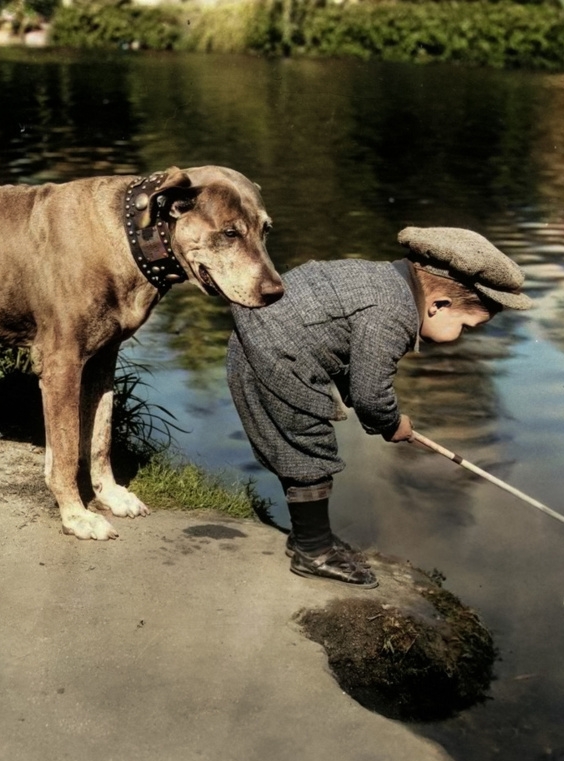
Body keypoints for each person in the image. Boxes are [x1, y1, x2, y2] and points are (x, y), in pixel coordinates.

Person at [227, 227, 533, 586]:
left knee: (303, 451)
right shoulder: (394, 314)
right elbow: (372, 395)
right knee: (308, 453)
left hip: (262, 343)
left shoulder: (381, 281)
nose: (461, 336)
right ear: (438, 305)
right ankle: (312, 552)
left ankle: (311, 537)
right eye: (466, 326)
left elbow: (345, 355)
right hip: (274, 357)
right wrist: (391, 423)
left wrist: (373, 408)